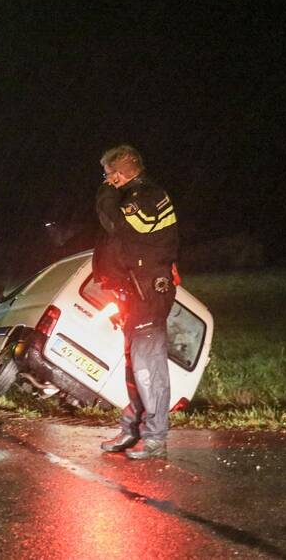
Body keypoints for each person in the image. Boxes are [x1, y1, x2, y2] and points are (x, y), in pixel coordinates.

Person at [95, 144, 179, 460]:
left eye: (109, 174)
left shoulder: (148, 197)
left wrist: (105, 193)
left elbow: (118, 225)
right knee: (135, 368)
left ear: (122, 172)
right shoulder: (132, 197)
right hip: (133, 293)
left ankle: (155, 438)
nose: (107, 180)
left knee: (148, 368)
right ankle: (132, 430)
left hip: (149, 294)